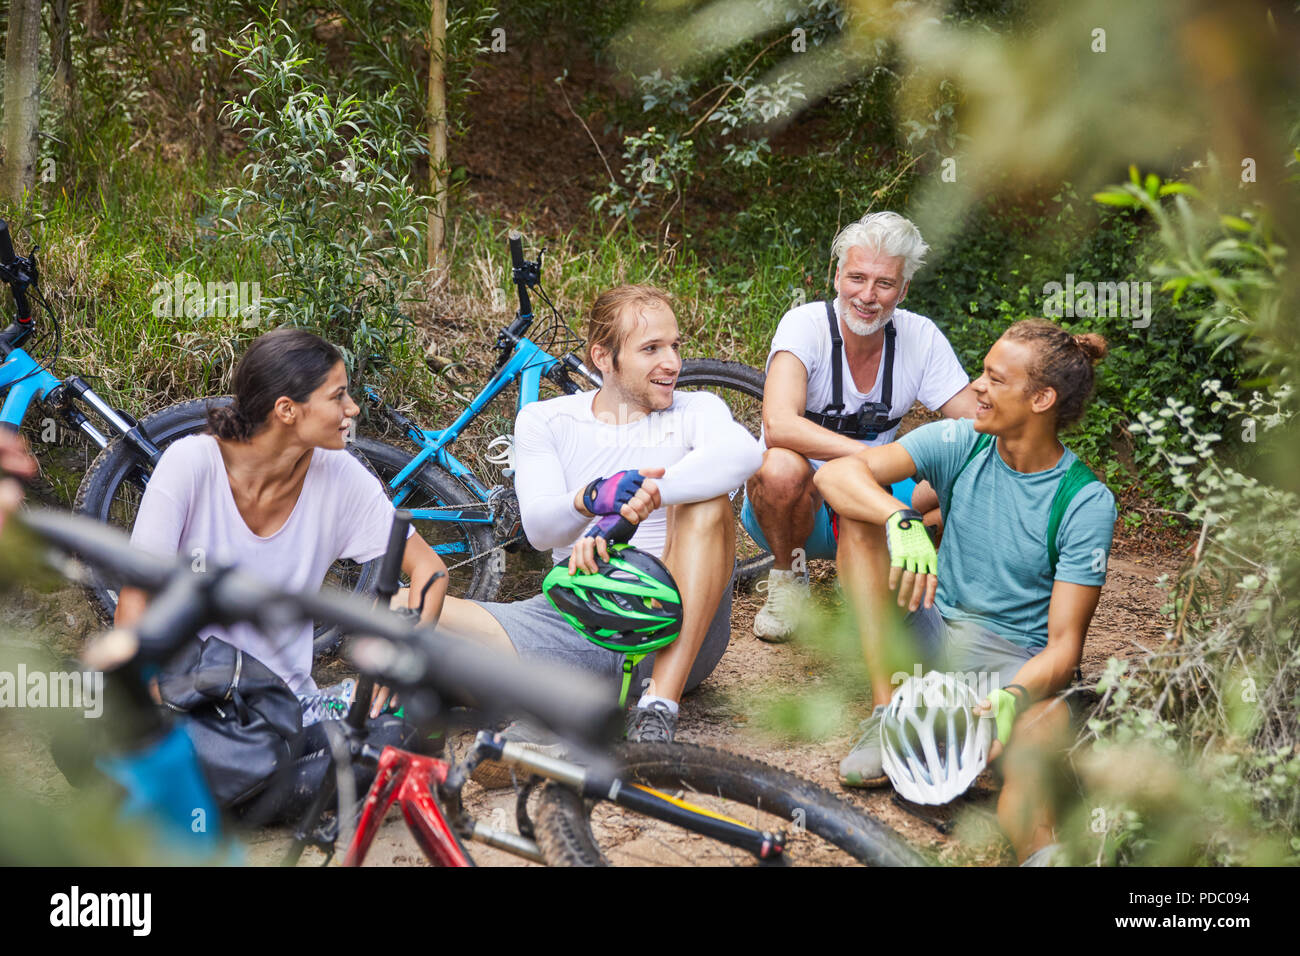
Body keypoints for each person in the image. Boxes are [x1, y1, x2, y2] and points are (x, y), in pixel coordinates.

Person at [816, 318, 1117, 864]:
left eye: (995, 379)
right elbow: (835, 476)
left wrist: (1014, 697)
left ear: (1042, 398)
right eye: (983, 372)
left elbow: (1063, 647)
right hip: (932, 637)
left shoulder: (1084, 500)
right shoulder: (962, 439)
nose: (977, 386)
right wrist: (899, 519)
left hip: (1012, 668)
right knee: (862, 519)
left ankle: (1041, 853)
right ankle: (891, 716)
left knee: (1032, 753)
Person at [114, 328, 448, 818]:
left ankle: (224, 792)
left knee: (413, 723)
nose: (352, 409)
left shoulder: (342, 477)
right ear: (287, 410)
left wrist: (402, 653)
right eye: (338, 396)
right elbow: (134, 606)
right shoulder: (191, 465)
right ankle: (251, 787)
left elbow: (431, 572)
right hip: (196, 706)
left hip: (291, 710)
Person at [436, 284, 763, 746]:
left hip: (670, 629)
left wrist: (645, 498)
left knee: (706, 501)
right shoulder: (546, 420)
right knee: (404, 609)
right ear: (604, 358)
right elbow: (542, 530)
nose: (671, 362)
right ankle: (549, 716)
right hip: (573, 618)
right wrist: (588, 499)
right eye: (651, 348)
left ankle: (656, 708)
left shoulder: (698, 410)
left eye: (674, 346)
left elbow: (744, 455)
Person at [745, 211, 979, 642]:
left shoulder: (920, 337)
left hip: (875, 500)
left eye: (884, 283)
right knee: (780, 466)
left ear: (903, 289)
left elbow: (976, 425)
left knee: (967, 476)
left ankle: (877, 580)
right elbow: (778, 424)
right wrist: (873, 458)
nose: (867, 295)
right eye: (857, 278)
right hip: (798, 505)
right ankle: (788, 576)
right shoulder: (806, 325)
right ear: (837, 277)